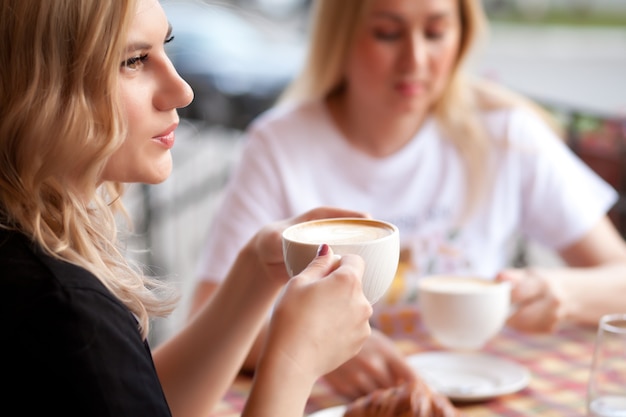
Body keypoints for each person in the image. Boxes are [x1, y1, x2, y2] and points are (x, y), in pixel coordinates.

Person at [188, 0, 626, 401]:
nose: (415, 61)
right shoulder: (280, 145)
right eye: (388, 33)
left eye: (435, 33)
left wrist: (561, 292)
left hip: (473, 392)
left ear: (463, 37)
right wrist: (312, 346)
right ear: (339, 36)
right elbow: (208, 321)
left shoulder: (506, 133)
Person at [0, 1, 376, 416]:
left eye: (167, 48)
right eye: (134, 60)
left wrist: (256, 271)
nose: (182, 91)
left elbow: (140, 400)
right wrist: (295, 360)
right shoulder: (65, 307)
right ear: (41, 85)